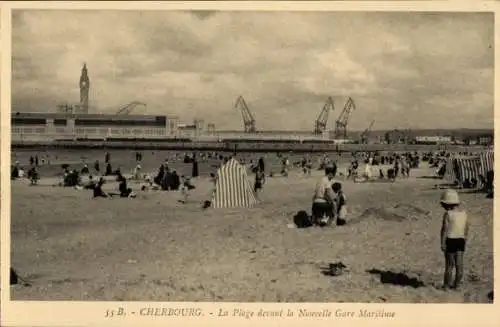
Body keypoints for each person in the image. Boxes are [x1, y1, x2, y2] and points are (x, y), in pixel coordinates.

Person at [440, 189, 469, 291]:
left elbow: (444, 229)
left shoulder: (448, 214)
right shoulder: (464, 213)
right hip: (461, 240)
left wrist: (442, 243)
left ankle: (446, 286)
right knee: (459, 265)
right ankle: (457, 285)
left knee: (449, 265)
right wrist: (465, 238)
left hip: (450, 240)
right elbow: (466, 228)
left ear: (447, 204)